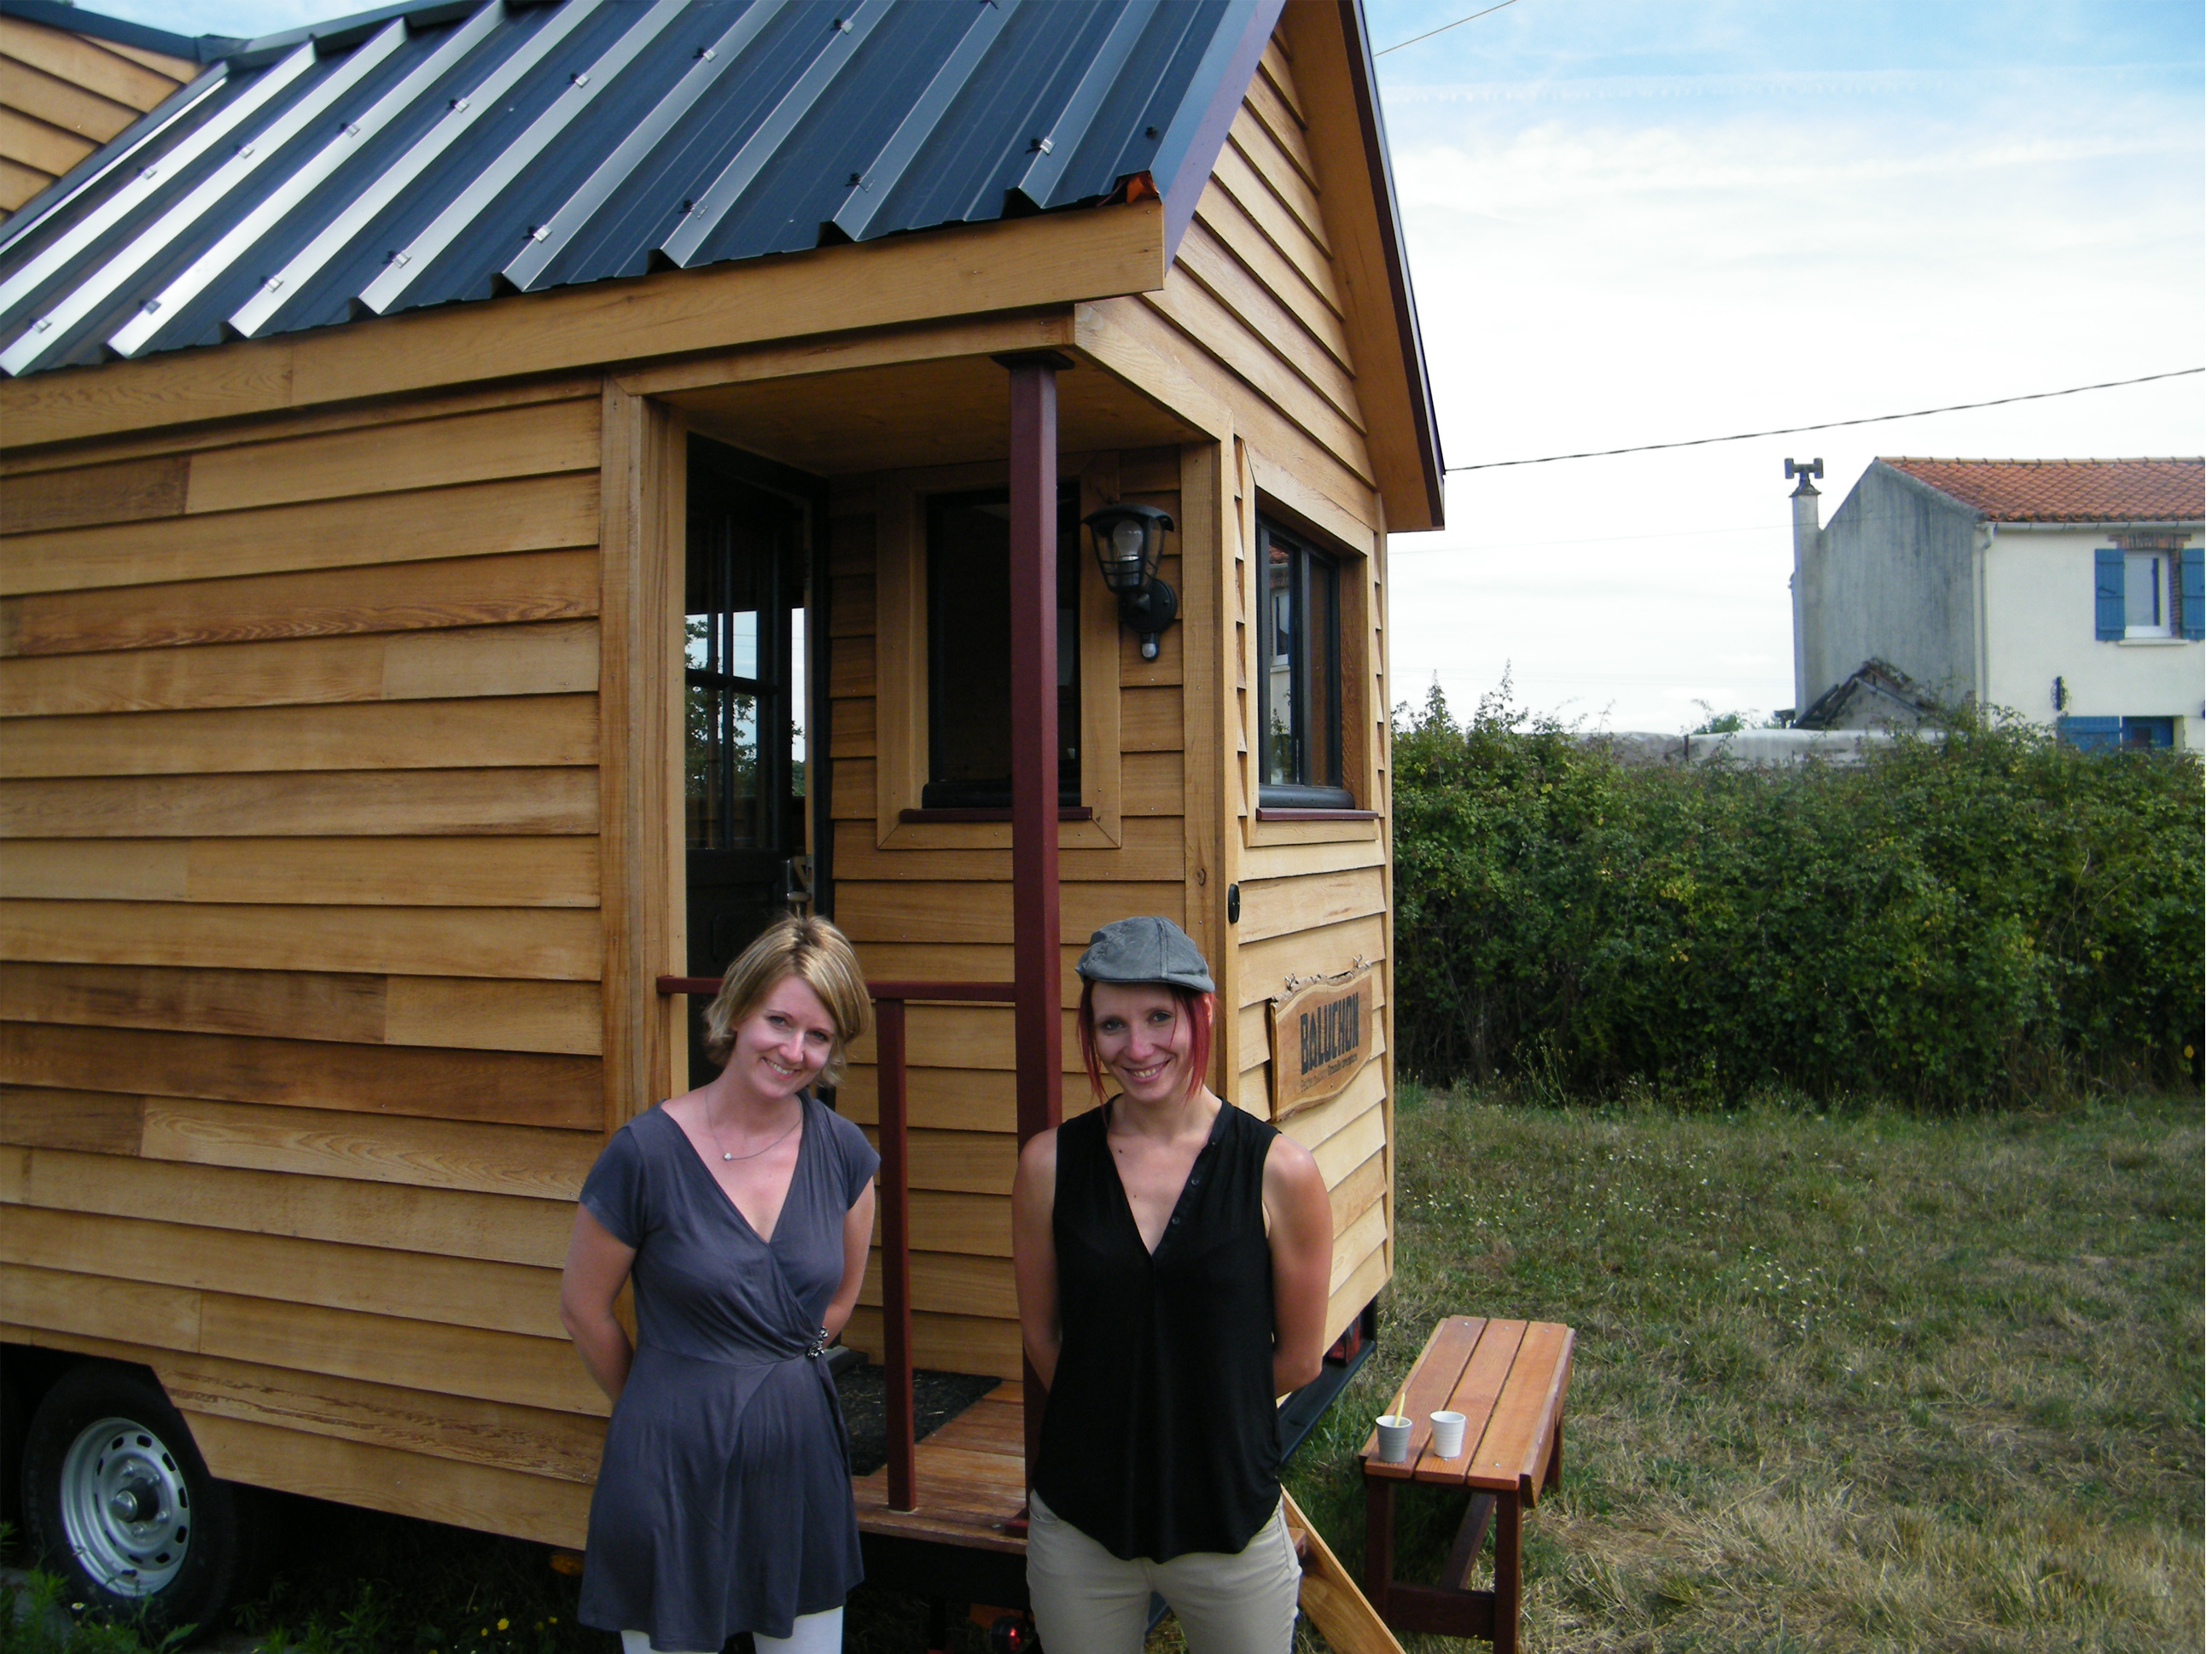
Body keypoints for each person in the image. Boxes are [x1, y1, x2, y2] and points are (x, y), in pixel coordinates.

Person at [1011, 915, 1336, 1654]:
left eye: (1160, 1016)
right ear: (1090, 1035)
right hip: (1083, 1520)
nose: (1139, 1047)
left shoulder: (1279, 1172)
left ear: (1203, 1014)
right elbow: (1043, 1335)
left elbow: (1300, 1358)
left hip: (1227, 1514)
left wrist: (1195, 1426)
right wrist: (1117, 1414)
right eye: (1112, 1025)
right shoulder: (1048, 1167)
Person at [559, 914, 877, 1654]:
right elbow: (583, 1309)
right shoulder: (643, 1153)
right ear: (737, 1011)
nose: (794, 1051)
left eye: (819, 1036)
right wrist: (663, 1395)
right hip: (670, 1464)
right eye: (779, 1021)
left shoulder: (845, 1155)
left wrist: (775, 1373)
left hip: (798, 1463)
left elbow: (839, 1301)